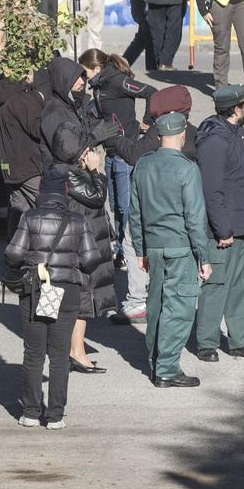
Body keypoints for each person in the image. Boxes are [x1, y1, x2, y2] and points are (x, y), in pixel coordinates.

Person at [3, 153, 114, 427]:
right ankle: (55, 415)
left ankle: (30, 412)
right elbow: (91, 259)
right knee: (60, 355)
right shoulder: (77, 221)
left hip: (36, 289)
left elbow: (13, 254)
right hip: (66, 291)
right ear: (65, 193)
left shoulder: (30, 217)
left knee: (33, 353)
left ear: (41, 193)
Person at [130, 110, 214, 387]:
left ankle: (155, 362)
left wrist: (140, 249)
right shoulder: (188, 168)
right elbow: (194, 218)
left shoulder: (142, 165)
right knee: (179, 307)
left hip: (153, 246)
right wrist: (203, 255)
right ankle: (167, 368)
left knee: (156, 305)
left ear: (158, 135)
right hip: (180, 248)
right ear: (182, 134)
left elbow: (135, 213)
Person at [192, 86, 244, 364]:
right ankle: (207, 342)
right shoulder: (215, 141)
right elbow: (212, 191)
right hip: (224, 230)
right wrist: (222, 229)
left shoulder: (234, 132)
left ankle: (241, 340)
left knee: (239, 286)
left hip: (242, 224)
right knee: (216, 285)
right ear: (235, 109)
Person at [82, 51, 158, 311]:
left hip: (126, 154)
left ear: (95, 67)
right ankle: (121, 254)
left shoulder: (115, 81)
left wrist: (147, 122)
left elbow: (151, 91)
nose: (84, 76)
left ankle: (132, 255)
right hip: (112, 154)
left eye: (85, 70)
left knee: (127, 209)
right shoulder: (99, 86)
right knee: (115, 206)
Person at [0, 63, 48, 233]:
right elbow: (38, 129)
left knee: (19, 214)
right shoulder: (21, 99)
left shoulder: (3, 98)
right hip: (28, 167)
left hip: (10, 168)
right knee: (47, 211)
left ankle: (15, 254)